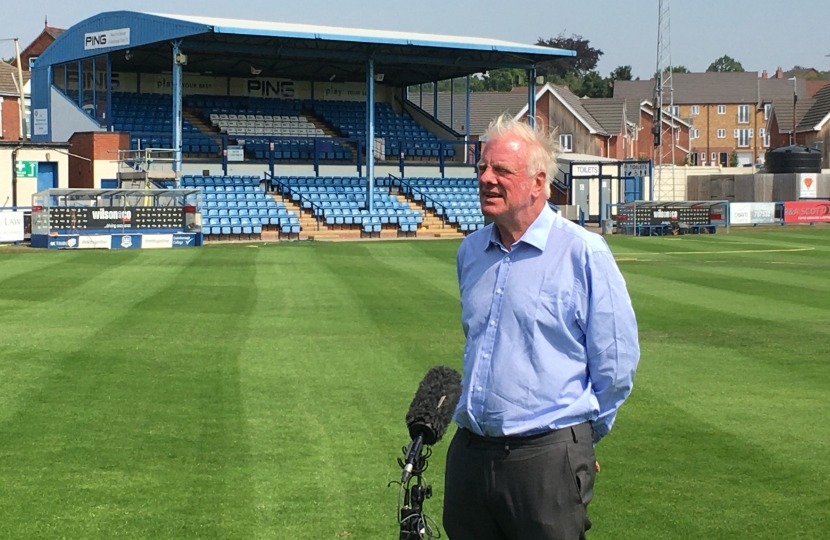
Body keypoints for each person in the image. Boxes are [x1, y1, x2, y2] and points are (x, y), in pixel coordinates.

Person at [443, 114, 640, 540]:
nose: (487, 179)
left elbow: (616, 364)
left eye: (502, 171)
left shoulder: (582, 252)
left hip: (545, 459)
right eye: (483, 167)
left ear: (537, 183)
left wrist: (577, 440)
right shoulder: (471, 252)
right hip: (471, 456)